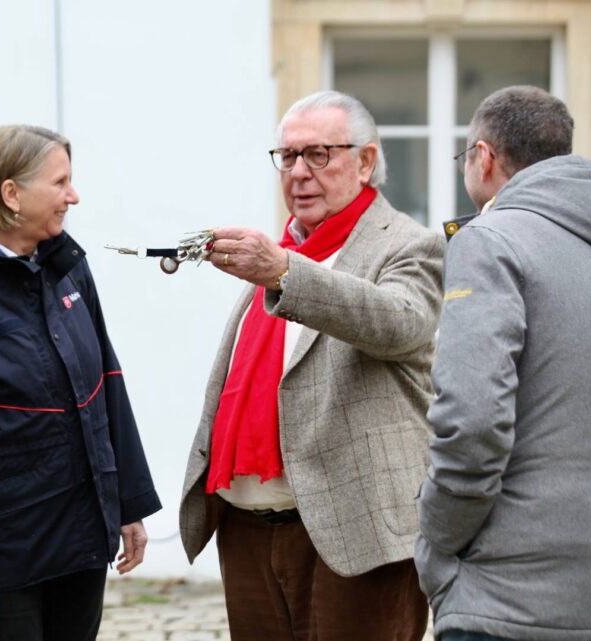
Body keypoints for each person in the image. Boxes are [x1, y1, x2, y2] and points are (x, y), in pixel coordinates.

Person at [178, 90, 444, 641]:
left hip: (357, 531)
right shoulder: (281, 251)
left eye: (318, 155)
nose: (298, 172)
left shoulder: (407, 244)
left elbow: (401, 324)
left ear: (366, 161)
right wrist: (281, 267)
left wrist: (284, 273)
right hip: (249, 529)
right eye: (287, 156)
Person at [0, 125, 161, 641]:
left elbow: (107, 386)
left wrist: (128, 505)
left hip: (84, 541)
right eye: (61, 182)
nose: (74, 196)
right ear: (11, 194)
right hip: (9, 556)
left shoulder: (68, 271)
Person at [417, 86, 591, 641]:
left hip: (504, 595)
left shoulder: (489, 240)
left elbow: (470, 422)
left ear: (483, 158)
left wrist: (437, 549)